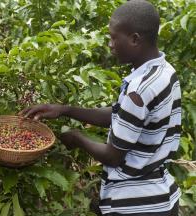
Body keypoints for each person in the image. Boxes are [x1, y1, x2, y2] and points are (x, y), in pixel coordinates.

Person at [20, 0, 181, 215]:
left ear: (134, 39)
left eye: (114, 37)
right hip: (163, 196)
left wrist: (76, 138)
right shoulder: (164, 71)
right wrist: (64, 109)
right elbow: (120, 115)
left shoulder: (139, 90)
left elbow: (113, 156)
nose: (110, 44)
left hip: (136, 205)